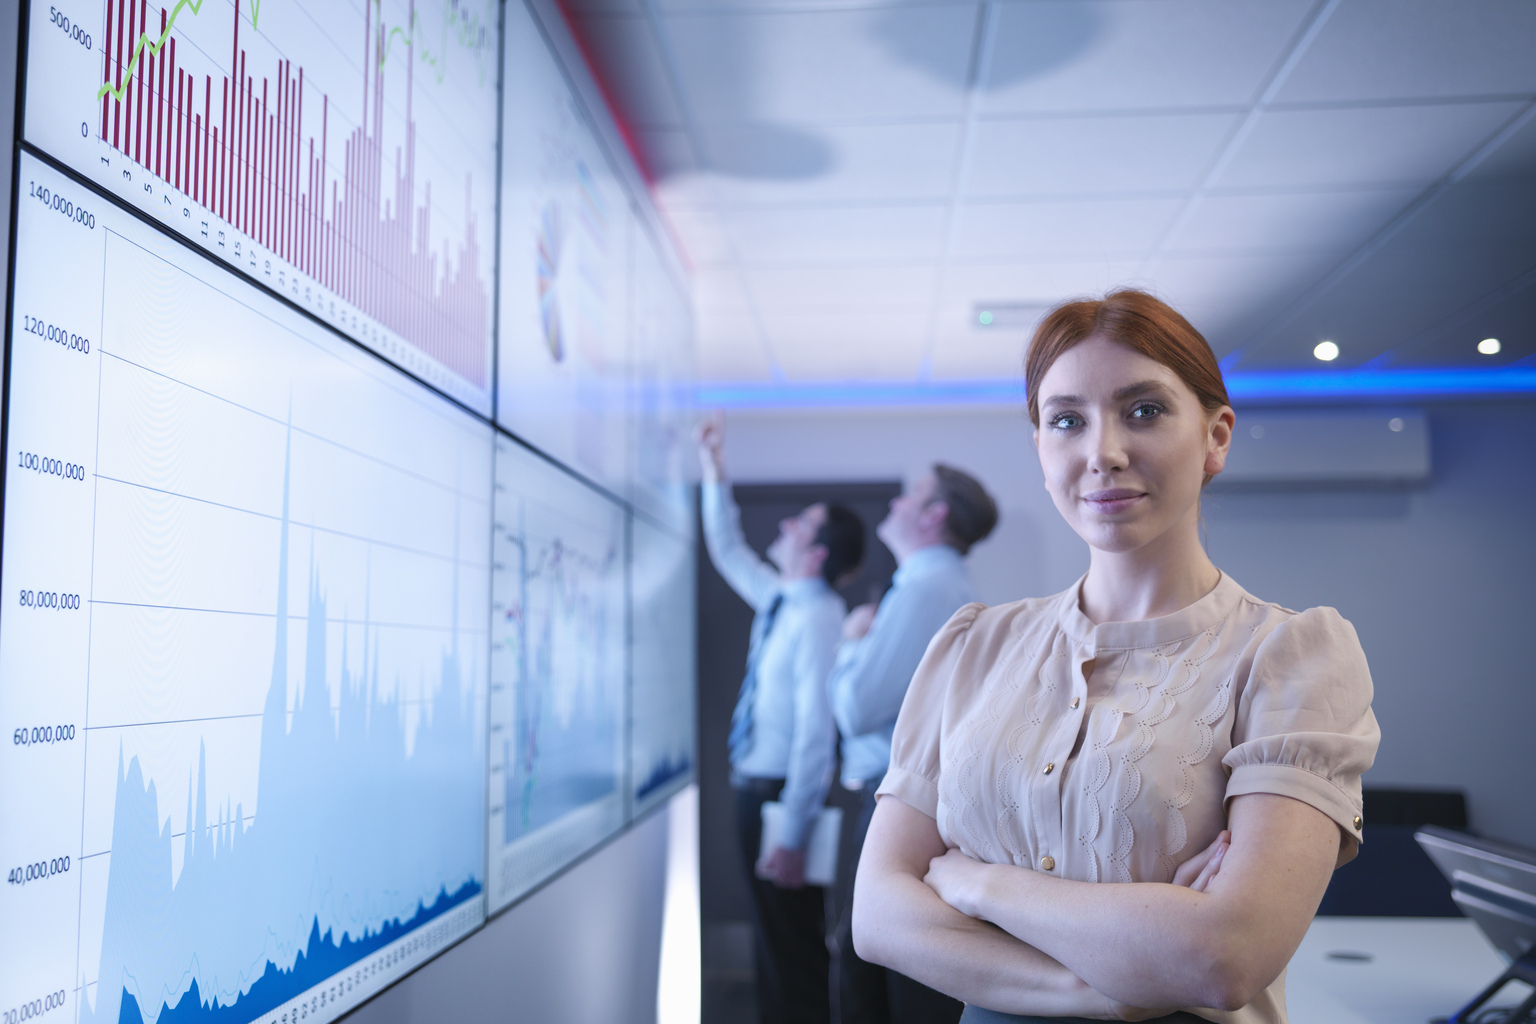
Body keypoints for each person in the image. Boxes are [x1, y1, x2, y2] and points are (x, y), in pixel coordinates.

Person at [852, 290, 1381, 1024]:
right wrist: (1112, 984)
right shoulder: (971, 648)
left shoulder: (1290, 656)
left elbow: (1226, 957)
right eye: (1067, 420)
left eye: (1144, 411)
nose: (1102, 452)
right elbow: (877, 916)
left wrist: (974, 884)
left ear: (1217, 436)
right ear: (1041, 449)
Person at [697, 412, 867, 1024]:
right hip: (758, 794)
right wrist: (714, 466)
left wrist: (792, 835)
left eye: (801, 523)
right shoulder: (782, 601)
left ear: (815, 551)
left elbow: (815, 739)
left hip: (780, 799)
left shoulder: (818, 616)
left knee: (789, 948)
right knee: (776, 944)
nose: (787, 524)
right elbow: (727, 549)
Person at [830, 465, 999, 1024]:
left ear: (935, 515)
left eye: (911, 495)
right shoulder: (931, 584)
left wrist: (852, 644)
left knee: (873, 975)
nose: (896, 504)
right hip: (893, 793)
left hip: (891, 798)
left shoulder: (927, 586)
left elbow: (856, 709)